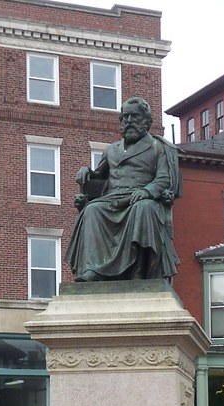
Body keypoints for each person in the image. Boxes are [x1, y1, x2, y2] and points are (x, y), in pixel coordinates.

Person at [67, 96, 181, 282]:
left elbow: (164, 178)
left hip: (141, 198)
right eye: (124, 117)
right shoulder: (111, 150)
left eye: (134, 117)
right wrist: (86, 172)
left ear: (146, 120)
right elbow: (99, 177)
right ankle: (93, 270)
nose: (128, 121)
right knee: (92, 210)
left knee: (143, 208)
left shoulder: (158, 147)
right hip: (112, 199)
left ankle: (137, 271)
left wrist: (147, 191)